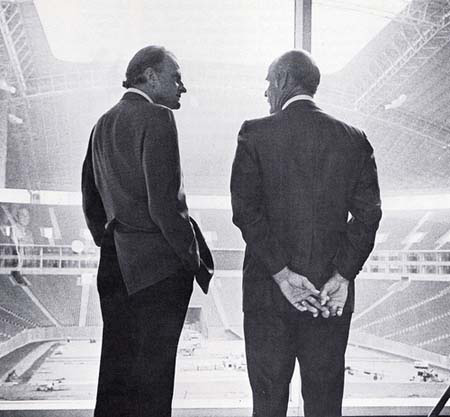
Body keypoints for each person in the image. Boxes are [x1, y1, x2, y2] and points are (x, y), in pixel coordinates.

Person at [230, 50, 382, 417]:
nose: (266, 93)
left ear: (283, 81)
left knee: (267, 404)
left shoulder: (254, 133)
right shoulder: (354, 139)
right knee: (325, 404)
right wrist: (342, 276)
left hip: (268, 294)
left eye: (268, 82)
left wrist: (282, 274)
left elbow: (246, 212)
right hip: (329, 297)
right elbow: (368, 215)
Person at [82, 45, 213, 417]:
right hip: (157, 271)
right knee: (154, 385)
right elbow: (164, 206)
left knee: (115, 380)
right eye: (176, 77)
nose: (182, 87)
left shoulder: (102, 123)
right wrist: (192, 261)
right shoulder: (157, 119)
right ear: (151, 76)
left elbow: (90, 201)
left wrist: (113, 240)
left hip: (114, 266)